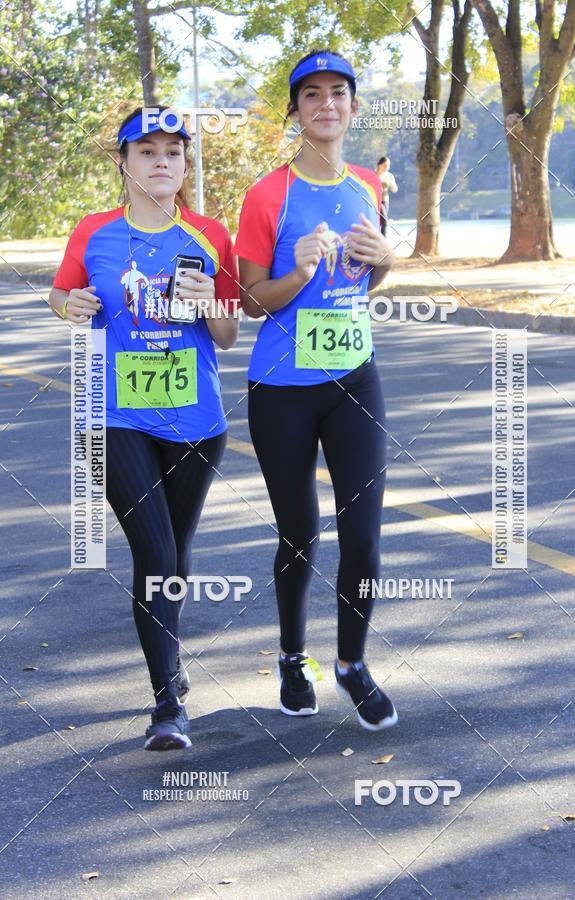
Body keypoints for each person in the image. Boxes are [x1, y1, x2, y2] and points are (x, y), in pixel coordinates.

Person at [49, 106, 239, 750]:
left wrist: (207, 302)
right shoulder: (94, 232)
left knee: (176, 556)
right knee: (155, 554)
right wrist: (69, 305)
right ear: (124, 163)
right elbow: (64, 295)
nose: (162, 162)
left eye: (174, 153)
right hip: (112, 416)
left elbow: (230, 334)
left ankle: (170, 666)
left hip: (195, 419)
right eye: (147, 151)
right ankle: (166, 707)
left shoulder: (212, 234)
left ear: (186, 165)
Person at [235, 50, 398, 731]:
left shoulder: (368, 184)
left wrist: (387, 262)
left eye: (339, 93)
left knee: (363, 537)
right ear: (296, 112)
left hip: (355, 380)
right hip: (282, 390)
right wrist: (297, 274)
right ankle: (293, 657)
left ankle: (353, 664)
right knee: (300, 534)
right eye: (311, 96)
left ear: (353, 108)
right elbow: (248, 300)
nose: (326, 105)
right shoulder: (267, 195)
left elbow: (371, 277)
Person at [376, 156, 398, 236]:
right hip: (375, 201)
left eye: (388, 165)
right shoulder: (374, 174)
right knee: (384, 221)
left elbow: (395, 190)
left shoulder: (389, 176)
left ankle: (379, 241)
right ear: (379, 165)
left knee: (381, 222)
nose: (386, 167)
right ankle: (383, 241)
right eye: (385, 165)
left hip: (385, 201)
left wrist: (391, 183)